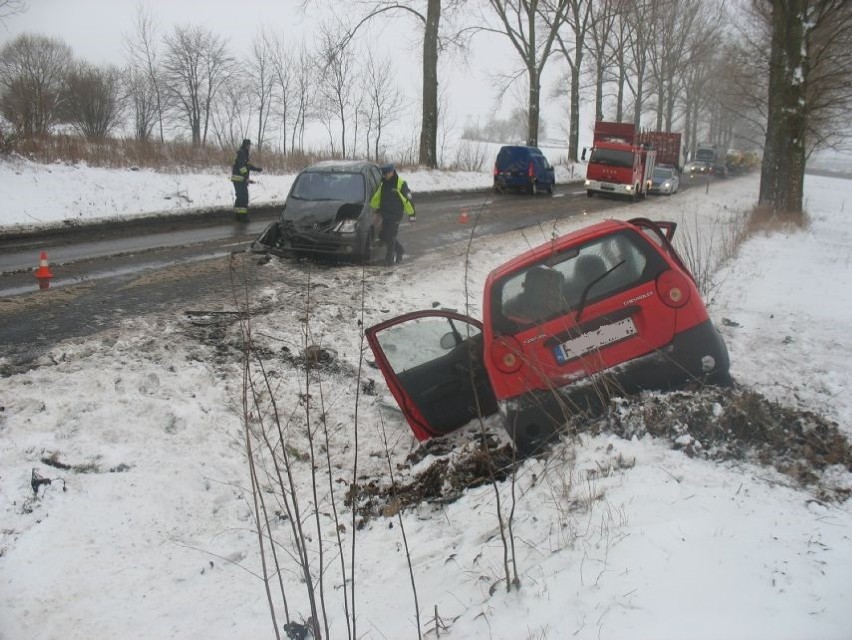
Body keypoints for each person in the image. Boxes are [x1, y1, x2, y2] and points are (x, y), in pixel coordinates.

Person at [369, 163, 415, 265]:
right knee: (382, 235)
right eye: (383, 174)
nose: (384, 175)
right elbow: (379, 197)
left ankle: (389, 260)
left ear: (391, 172)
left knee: (390, 236)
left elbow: (409, 200)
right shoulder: (384, 182)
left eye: (386, 173)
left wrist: (412, 216)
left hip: (395, 215)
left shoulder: (401, 184)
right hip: (384, 214)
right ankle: (399, 250)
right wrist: (374, 208)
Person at [230, 138, 262, 221]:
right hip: (239, 179)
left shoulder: (244, 153)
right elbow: (242, 167)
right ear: (245, 145)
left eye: (249, 145)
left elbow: (247, 166)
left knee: (240, 197)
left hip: (239, 179)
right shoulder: (242, 153)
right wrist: (246, 178)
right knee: (244, 198)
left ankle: (238, 215)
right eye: (248, 145)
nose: (249, 147)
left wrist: (256, 169)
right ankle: (243, 216)